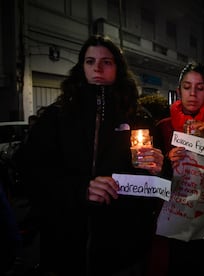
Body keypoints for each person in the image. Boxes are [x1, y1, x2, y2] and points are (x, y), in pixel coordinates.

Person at [15, 34, 164, 276]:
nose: (97, 67)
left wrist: (158, 169)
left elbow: (156, 185)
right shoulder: (56, 117)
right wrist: (80, 189)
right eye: (90, 61)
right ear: (81, 67)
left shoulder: (140, 118)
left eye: (106, 61)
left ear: (117, 68)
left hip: (123, 250)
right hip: (66, 247)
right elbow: (29, 171)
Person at [151, 62, 204, 276]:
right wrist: (167, 163)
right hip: (176, 218)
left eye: (199, 88)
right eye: (187, 87)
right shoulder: (163, 127)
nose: (193, 93)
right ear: (179, 90)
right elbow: (155, 176)